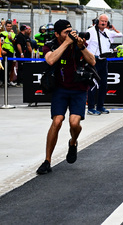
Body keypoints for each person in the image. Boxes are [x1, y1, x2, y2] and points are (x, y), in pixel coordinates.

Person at [36, 19, 96, 175]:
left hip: (79, 88)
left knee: (74, 123)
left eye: (71, 30)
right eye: (65, 32)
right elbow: (50, 60)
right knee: (57, 121)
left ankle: (73, 142)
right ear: (57, 34)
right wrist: (65, 43)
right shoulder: (51, 44)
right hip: (60, 89)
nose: (70, 34)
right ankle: (47, 160)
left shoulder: (77, 43)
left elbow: (93, 61)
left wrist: (81, 46)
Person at [86, 15, 115, 116]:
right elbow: (84, 45)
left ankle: (100, 106)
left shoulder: (106, 32)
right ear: (98, 21)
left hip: (104, 60)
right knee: (93, 84)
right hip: (94, 60)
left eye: (106, 21)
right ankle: (90, 107)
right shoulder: (91, 31)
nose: (103, 23)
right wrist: (90, 56)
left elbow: (119, 35)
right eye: (102, 21)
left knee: (104, 84)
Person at [0, 20, 17, 86]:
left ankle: (7, 81)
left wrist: (11, 39)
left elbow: (15, 43)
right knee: (3, 67)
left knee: (9, 67)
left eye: (10, 26)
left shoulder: (14, 34)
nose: (9, 27)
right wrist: (1, 50)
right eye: (8, 26)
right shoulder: (2, 33)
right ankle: (2, 81)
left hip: (11, 52)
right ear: (5, 26)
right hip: (4, 51)